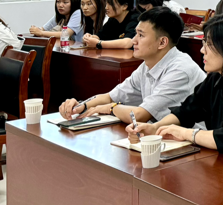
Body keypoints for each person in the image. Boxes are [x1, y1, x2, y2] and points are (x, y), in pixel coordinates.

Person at [127, 14, 223, 164]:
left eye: (209, 44)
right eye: (204, 43)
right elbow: (186, 111)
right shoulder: (216, 79)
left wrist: (186, 133)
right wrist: (155, 128)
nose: (202, 50)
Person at [59, 8, 205, 123]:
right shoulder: (148, 64)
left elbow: (140, 115)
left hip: (196, 145)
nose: (133, 40)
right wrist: (80, 106)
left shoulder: (180, 70)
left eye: (141, 35)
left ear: (162, 42)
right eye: (135, 34)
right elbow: (110, 97)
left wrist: (111, 108)